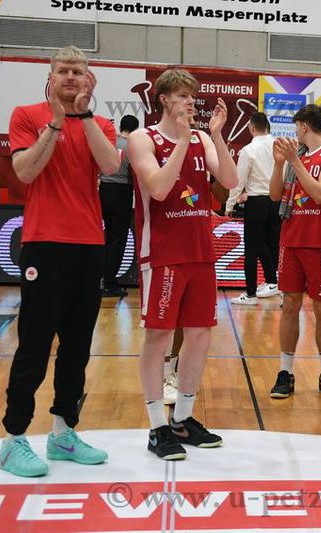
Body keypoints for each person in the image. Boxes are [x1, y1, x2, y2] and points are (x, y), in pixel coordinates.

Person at [0, 45, 120, 477]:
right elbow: (26, 171)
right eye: (64, 71)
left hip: (89, 245)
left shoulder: (100, 124)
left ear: (89, 79)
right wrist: (55, 121)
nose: (71, 77)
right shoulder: (27, 115)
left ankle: (63, 432)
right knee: (34, 344)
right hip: (44, 244)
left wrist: (82, 116)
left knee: (77, 347)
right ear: (51, 77)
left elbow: (110, 165)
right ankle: (13, 439)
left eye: (78, 71)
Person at [127, 68, 239, 460]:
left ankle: (183, 419)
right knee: (158, 338)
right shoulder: (142, 139)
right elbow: (158, 189)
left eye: (193, 96)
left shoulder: (202, 138)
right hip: (162, 254)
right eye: (182, 96)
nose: (191, 102)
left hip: (200, 252)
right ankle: (157, 426)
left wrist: (217, 135)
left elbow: (230, 180)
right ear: (164, 99)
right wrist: (181, 141)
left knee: (200, 335)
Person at [268, 104, 321, 399]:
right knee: (289, 304)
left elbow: (319, 194)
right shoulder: (297, 157)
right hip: (291, 238)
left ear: (303, 126)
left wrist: (293, 160)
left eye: (296, 127)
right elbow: (275, 195)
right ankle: (285, 371)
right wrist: (280, 164)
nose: (295, 133)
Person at [225, 112, 281, 305]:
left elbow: (238, 180)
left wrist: (230, 204)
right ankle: (273, 282)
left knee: (252, 249)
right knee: (270, 246)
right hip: (276, 202)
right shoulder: (279, 146)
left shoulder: (248, 150)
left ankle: (250, 294)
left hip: (256, 202)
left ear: (251, 127)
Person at [99, 114, 139, 298]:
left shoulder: (109, 141)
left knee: (107, 236)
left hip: (104, 190)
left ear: (121, 126)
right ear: (136, 129)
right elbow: (136, 171)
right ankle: (109, 282)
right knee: (118, 239)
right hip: (122, 191)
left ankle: (100, 279)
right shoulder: (133, 146)